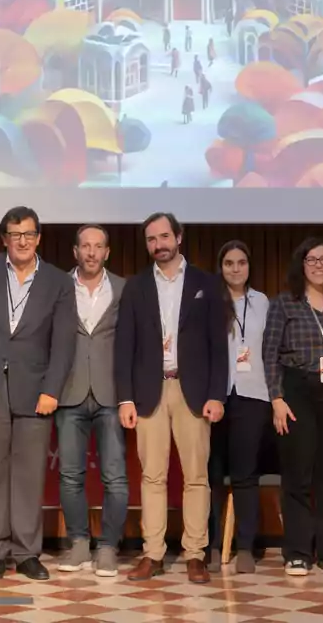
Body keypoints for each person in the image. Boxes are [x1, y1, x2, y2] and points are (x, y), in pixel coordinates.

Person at [116, 212, 227, 584]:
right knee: (152, 476)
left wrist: (217, 394)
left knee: (196, 477)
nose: (158, 245)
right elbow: (124, 347)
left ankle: (195, 553)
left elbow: (218, 346)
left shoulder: (205, 284)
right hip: (149, 392)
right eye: (151, 239)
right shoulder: (135, 286)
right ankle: (153, 554)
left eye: (164, 236)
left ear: (179, 237)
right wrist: (125, 399)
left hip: (192, 391)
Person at [0, 207, 75, 580]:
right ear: (4, 239)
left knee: (30, 476)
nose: (22, 241)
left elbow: (64, 344)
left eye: (29, 234)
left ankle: (28, 552)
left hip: (36, 392)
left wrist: (52, 390)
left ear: (39, 238)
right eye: (15, 234)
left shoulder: (59, 282)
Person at [263, 238, 323, 577]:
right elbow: (270, 353)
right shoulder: (284, 303)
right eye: (311, 259)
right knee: (298, 475)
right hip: (296, 392)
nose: (318, 265)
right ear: (301, 265)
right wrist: (276, 398)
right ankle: (298, 552)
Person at [55, 225, 127, 578]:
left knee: (115, 477)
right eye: (85, 246)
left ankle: (109, 547)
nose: (92, 252)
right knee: (70, 476)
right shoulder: (57, 287)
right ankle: (79, 544)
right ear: (76, 251)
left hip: (111, 394)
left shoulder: (124, 288)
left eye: (98, 246)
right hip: (68, 393)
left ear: (107, 252)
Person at [209, 241, 271, 574]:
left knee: (246, 475)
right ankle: (216, 543)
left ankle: (246, 545)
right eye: (229, 263)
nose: (236, 269)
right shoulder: (209, 303)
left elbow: (270, 351)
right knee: (213, 475)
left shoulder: (262, 302)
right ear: (221, 267)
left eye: (242, 263)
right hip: (215, 398)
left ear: (250, 266)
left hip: (253, 396)